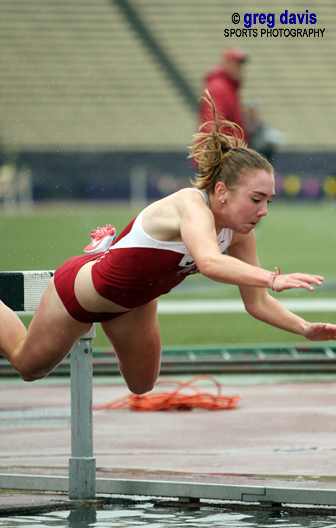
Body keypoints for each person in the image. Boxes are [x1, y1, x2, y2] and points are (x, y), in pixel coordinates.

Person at [1, 91, 336, 394]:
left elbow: (257, 303)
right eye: (256, 199)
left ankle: (110, 248)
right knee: (28, 366)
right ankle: (102, 254)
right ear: (221, 192)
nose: (263, 211)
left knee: (142, 385)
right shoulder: (190, 205)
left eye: (269, 201)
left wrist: (303, 328)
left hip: (136, 302)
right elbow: (209, 263)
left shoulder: (239, 234)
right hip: (81, 293)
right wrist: (273, 278)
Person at [199, 47, 249, 144]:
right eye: (236, 64)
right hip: (223, 155)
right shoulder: (219, 87)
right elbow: (213, 125)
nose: (240, 68)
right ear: (226, 63)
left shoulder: (228, 87)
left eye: (241, 65)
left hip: (228, 153)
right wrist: (217, 152)